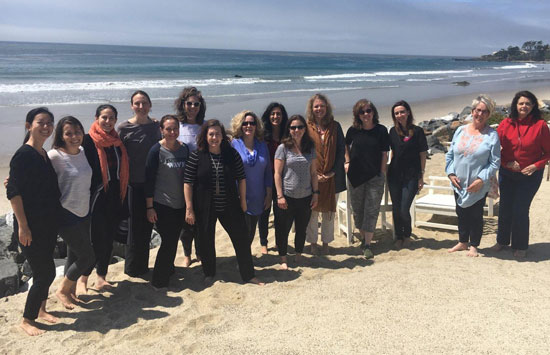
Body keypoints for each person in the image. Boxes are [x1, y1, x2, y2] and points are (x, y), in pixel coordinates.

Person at [183, 119, 263, 285]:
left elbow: (241, 178)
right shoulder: (197, 156)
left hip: (230, 204)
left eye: (217, 134)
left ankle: (248, 275)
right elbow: (188, 183)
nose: (214, 137)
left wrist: (243, 201)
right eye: (211, 134)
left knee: (241, 238)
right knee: (206, 240)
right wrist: (189, 208)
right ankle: (209, 273)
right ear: (205, 136)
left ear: (222, 136)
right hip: (204, 205)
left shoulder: (231, 154)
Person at [7, 107, 62, 336]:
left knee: (45, 267)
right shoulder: (24, 154)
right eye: (41, 122)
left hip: (47, 223)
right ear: (29, 125)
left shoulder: (42, 154)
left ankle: (41, 309)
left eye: (50, 122)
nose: (47, 126)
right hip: (31, 226)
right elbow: (14, 192)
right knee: (45, 272)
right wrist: (23, 226)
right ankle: (27, 319)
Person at [492, 90, 550, 257]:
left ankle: (521, 246)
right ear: (515, 105)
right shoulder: (505, 124)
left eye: (528, 103)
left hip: (530, 175)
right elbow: (495, 149)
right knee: (505, 207)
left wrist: (535, 165)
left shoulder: (540, 126)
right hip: (507, 173)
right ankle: (502, 241)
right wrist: (505, 162)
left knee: (520, 209)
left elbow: (548, 152)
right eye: (521, 103)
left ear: (533, 106)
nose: (524, 106)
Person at [80, 104, 129, 292]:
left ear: (116, 120)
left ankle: (101, 277)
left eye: (111, 118)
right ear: (96, 118)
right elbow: (66, 157)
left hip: (116, 195)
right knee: (94, 239)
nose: (108, 122)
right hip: (96, 196)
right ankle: (83, 279)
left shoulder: (117, 141)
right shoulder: (87, 141)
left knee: (109, 237)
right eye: (104, 118)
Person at [48, 116, 95, 308]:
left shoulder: (83, 151)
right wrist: (14, 180)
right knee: (88, 257)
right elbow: (35, 173)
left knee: (74, 255)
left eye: (77, 132)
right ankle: (62, 290)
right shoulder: (54, 156)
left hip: (84, 210)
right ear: (61, 135)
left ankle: (71, 292)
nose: (74, 137)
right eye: (68, 133)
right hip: (65, 213)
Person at [446, 95, 501, 257]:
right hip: (458, 182)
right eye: (478, 110)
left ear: (488, 114)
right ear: (472, 111)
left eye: (485, 112)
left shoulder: (492, 135)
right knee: (461, 212)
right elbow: (450, 155)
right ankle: (463, 241)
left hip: (478, 183)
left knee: (476, 215)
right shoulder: (460, 130)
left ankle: (474, 245)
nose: (480, 114)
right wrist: (450, 173)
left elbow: (495, 162)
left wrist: (480, 179)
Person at [118, 90, 161, 277]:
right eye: (137, 103)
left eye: (144, 103)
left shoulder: (156, 127)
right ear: (131, 106)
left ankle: (145, 266)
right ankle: (133, 268)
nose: (141, 107)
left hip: (154, 183)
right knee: (134, 228)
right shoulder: (123, 128)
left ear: (150, 105)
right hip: (132, 184)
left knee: (149, 225)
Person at [145, 115, 189, 288]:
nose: (172, 132)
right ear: (162, 130)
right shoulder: (156, 151)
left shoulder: (184, 149)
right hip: (162, 204)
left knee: (173, 239)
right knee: (169, 240)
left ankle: (169, 269)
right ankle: (159, 279)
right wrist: (149, 207)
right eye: (168, 129)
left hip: (181, 204)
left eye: (175, 129)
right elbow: (149, 180)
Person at [344, 100, 389, 259]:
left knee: (371, 210)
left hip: (375, 177)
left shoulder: (381, 130)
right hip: (355, 176)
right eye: (362, 112)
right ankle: (364, 238)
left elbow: (385, 153)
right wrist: (347, 161)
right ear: (357, 115)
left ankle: (368, 244)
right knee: (358, 210)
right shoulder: (353, 130)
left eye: (368, 111)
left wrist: (382, 173)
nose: (366, 114)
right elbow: (345, 145)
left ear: (373, 112)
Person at [274, 115, 319, 269]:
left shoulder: (310, 148)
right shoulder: (283, 148)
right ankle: (283, 258)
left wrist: (316, 193)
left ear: (304, 129)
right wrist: (279, 195)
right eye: (293, 127)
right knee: (283, 229)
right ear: (289, 130)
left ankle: (298, 256)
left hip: (305, 196)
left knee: (301, 228)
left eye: (300, 127)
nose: (296, 130)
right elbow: (277, 174)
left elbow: (314, 173)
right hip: (287, 196)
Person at [305, 93, 345, 255]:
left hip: (332, 178)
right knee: (312, 212)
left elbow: (341, 150)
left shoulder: (335, 126)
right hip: (311, 177)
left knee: (329, 213)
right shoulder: (306, 126)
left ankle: (326, 243)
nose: (319, 109)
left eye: (321, 106)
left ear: (326, 107)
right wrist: (314, 174)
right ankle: (313, 243)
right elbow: (303, 152)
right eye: (316, 106)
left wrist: (332, 172)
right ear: (311, 109)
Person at [387, 100, 428, 249]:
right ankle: (399, 236)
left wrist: (421, 176)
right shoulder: (392, 131)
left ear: (408, 112)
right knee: (396, 208)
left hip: (412, 175)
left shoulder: (417, 131)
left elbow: (422, 154)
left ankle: (407, 235)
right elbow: (392, 153)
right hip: (394, 175)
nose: (400, 115)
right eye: (396, 113)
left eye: (402, 112)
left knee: (405, 208)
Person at [231, 110, 272, 249]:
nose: (248, 126)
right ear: (240, 125)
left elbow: (268, 172)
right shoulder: (234, 144)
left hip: (258, 197)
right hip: (239, 196)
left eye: (252, 123)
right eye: (245, 123)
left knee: (251, 232)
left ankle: (245, 258)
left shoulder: (262, 145)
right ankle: (243, 261)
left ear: (256, 126)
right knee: (242, 232)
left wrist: (269, 194)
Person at [174, 86, 205, 266]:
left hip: (201, 180)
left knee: (200, 219)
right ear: (183, 105)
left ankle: (200, 253)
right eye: (189, 103)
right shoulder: (176, 125)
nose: (192, 107)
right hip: (181, 179)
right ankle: (187, 254)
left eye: (196, 104)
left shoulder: (204, 125)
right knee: (186, 219)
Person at [258, 102, 288, 254]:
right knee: (264, 211)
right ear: (268, 116)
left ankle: (278, 242)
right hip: (265, 177)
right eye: (273, 114)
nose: (275, 117)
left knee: (280, 213)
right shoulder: (263, 135)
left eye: (279, 114)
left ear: (283, 117)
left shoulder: (287, 134)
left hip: (283, 178)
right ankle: (264, 242)